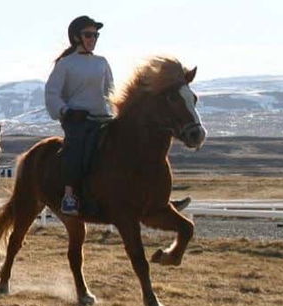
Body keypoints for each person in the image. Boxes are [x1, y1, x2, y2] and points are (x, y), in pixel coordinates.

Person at [45, 15, 191, 216]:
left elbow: (110, 90)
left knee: (140, 146)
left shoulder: (101, 62)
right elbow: (52, 94)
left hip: (103, 118)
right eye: (88, 34)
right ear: (77, 37)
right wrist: (66, 111)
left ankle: (157, 197)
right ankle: (70, 195)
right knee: (76, 148)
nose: (93, 38)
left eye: (96, 35)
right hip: (77, 120)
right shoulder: (65, 64)